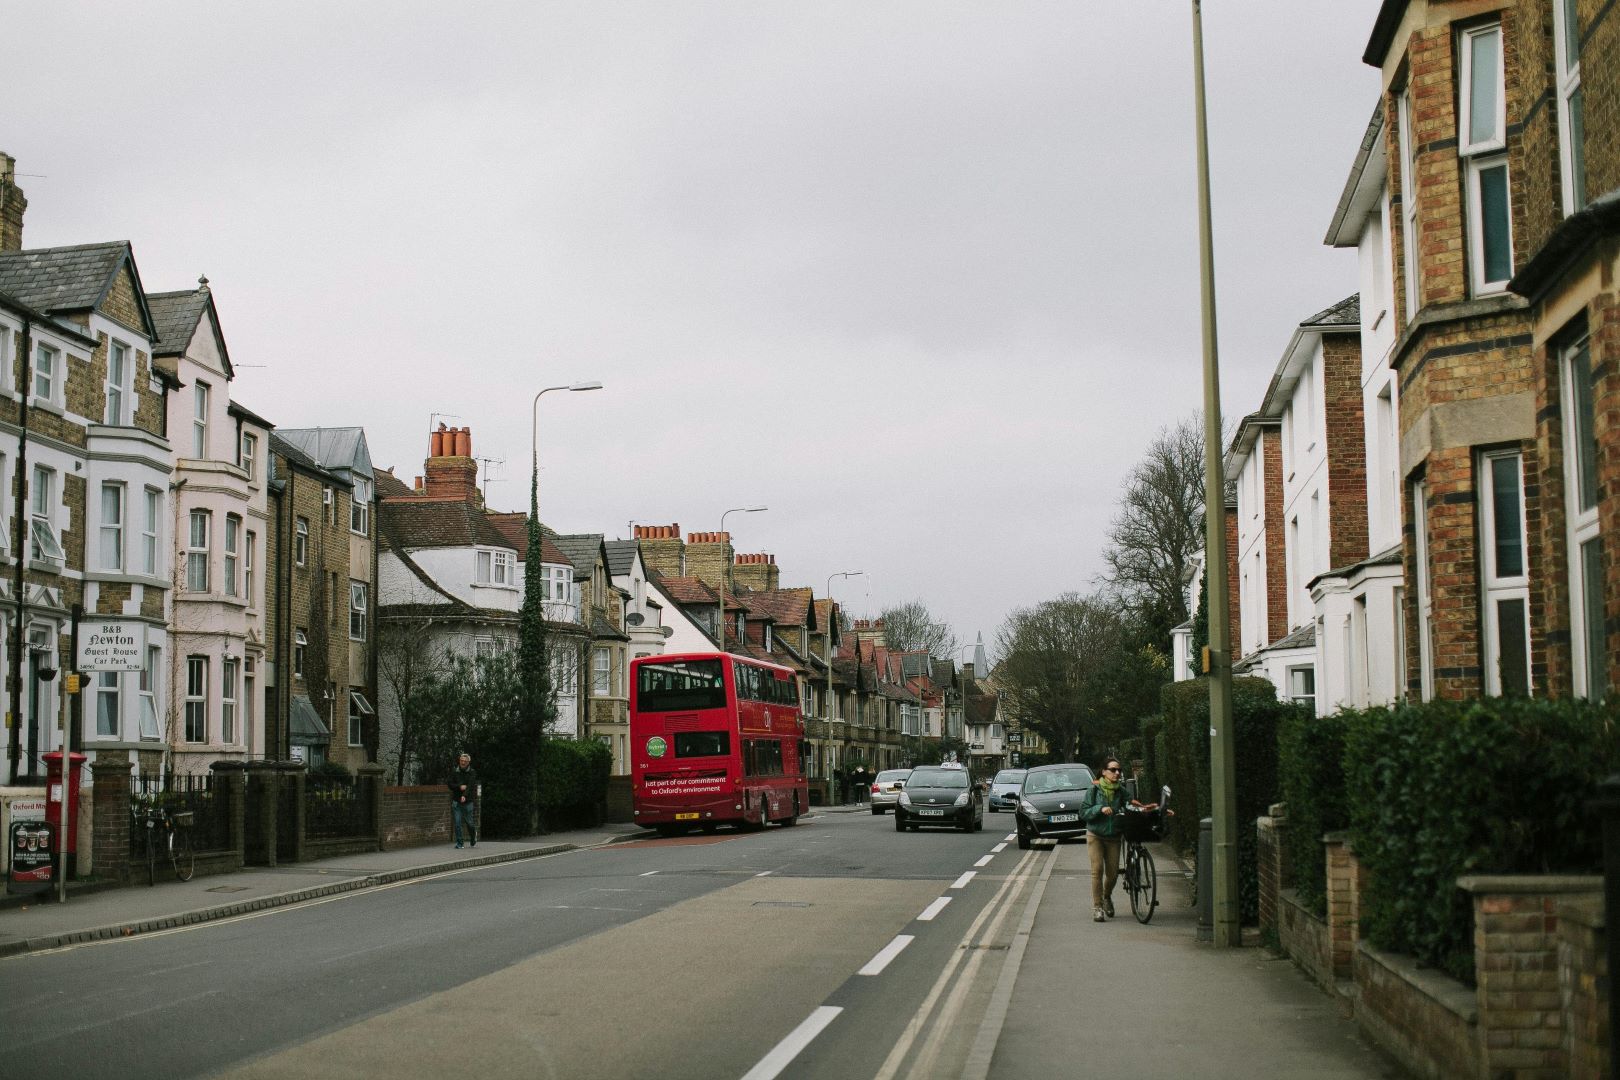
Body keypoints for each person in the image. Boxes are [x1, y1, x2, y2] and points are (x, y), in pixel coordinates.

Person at [1080, 758, 1129, 922]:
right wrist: (1099, 808)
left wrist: (1150, 808)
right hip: (1095, 835)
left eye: (1119, 770)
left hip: (1114, 836)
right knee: (1097, 870)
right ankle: (1098, 907)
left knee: (1113, 874)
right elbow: (1083, 812)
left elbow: (1131, 805)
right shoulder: (1093, 790)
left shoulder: (1121, 791)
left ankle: (1107, 897)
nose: (1117, 773)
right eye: (1113, 770)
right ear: (1104, 771)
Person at [448, 752, 478, 849]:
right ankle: (460, 843)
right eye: (461, 760)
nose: (463, 762)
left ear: (468, 762)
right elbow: (449, 784)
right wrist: (459, 787)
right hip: (456, 801)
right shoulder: (454, 771)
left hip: (468, 801)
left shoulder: (472, 772)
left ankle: (473, 837)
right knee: (457, 823)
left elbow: (470, 786)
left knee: (469, 823)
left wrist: (464, 795)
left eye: (465, 761)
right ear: (459, 761)